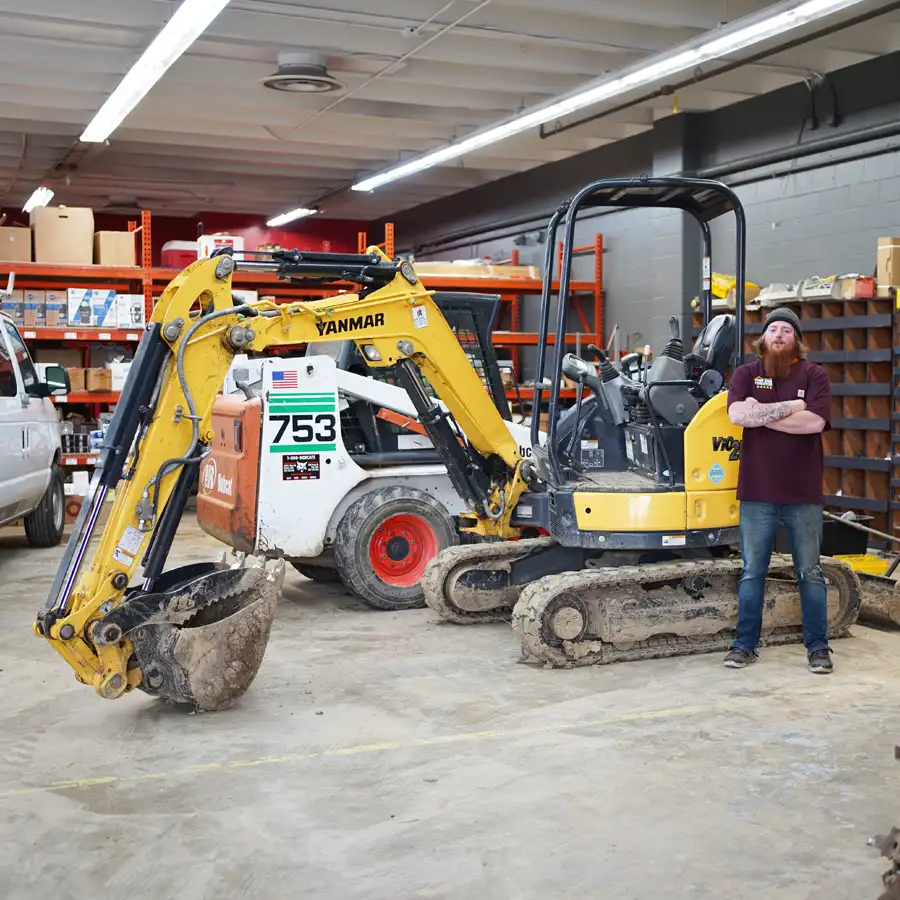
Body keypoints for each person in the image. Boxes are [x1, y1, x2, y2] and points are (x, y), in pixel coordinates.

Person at [723, 307, 833, 674]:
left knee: (811, 572)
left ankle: (818, 649)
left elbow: (814, 422)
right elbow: (738, 416)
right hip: (757, 492)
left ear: (797, 341)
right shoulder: (746, 374)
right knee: (753, 571)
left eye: (787, 330)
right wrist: (792, 407)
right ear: (763, 340)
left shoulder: (814, 374)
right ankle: (744, 645)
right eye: (774, 329)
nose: (780, 334)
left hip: (803, 494)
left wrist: (764, 413)